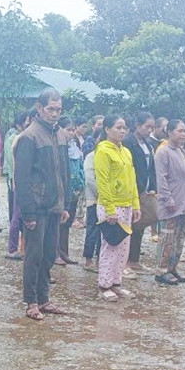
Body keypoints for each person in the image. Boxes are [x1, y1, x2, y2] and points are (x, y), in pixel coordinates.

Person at [14, 89, 70, 320]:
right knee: (34, 256)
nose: (54, 114)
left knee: (49, 254)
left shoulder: (61, 135)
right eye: (50, 109)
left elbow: (63, 173)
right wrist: (28, 213)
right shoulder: (29, 137)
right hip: (36, 207)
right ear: (39, 107)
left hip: (55, 206)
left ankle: (45, 298)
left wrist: (65, 204)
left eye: (58, 110)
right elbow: (22, 178)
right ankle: (31, 301)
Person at [94, 115, 140, 301]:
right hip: (110, 205)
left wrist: (136, 204)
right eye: (118, 127)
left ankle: (116, 282)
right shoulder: (103, 151)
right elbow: (103, 182)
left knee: (123, 248)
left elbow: (132, 179)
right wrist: (110, 209)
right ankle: (104, 285)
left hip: (127, 204)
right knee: (110, 245)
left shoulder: (126, 152)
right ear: (107, 129)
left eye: (124, 128)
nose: (122, 131)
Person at [154, 119, 185, 285]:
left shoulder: (183, 152)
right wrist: (167, 198)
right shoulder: (163, 152)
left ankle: (173, 267)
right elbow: (161, 178)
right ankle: (161, 270)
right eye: (180, 131)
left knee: (179, 237)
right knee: (167, 237)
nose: (183, 134)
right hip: (170, 202)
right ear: (169, 132)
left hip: (184, 202)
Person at [123, 111, 157, 275]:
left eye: (152, 127)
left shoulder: (148, 144)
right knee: (128, 225)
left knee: (140, 224)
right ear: (137, 125)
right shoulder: (128, 143)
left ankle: (134, 260)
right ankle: (124, 263)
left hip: (145, 189)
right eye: (147, 126)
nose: (149, 130)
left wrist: (153, 187)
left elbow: (151, 168)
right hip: (132, 190)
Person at [3, 110, 30, 260]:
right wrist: (14, 180)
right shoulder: (14, 139)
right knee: (17, 215)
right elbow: (12, 161)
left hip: (20, 181)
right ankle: (12, 248)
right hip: (17, 181)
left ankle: (23, 247)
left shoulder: (26, 137)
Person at [56, 116, 81, 265]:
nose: (71, 133)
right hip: (61, 190)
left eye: (73, 130)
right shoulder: (58, 146)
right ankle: (55, 253)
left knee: (67, 223)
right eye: (68, 130)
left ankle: (64, 253)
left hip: (73, 191)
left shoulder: (74, 146)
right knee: (58, 223)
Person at [82, 140, 102, 272]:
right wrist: (102, 193)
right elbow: (89, 179)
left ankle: (100, 260)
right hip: (94, 199)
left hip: (107, 200)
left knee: (103, 232)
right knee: (92, 230)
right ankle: (88, 259)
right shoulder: (91, 157)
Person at [72, 116, 89, 227]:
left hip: (83, 168)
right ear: (76, 126)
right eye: (83, 126)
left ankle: (80, 217)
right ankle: (75, 217)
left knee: (83, 194)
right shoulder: (73, 139)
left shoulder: (84, 138)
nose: (84, 129)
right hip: (76, 169)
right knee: (76, 195)